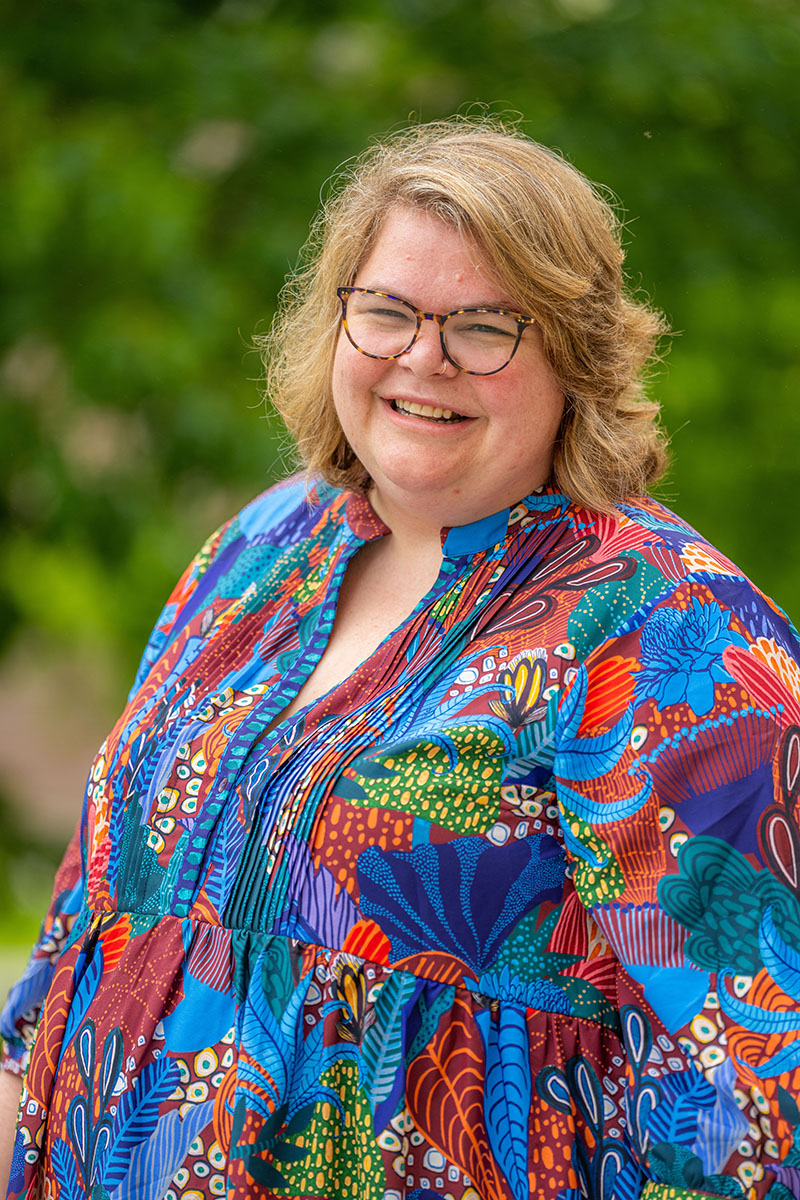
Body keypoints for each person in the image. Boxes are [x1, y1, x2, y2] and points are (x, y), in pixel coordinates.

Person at [2, 117, 799, 1200]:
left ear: (574, 354)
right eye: (385, 313)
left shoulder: (669, 631)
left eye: (482, 327)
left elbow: (750, 1097)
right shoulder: (261, 550)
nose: (421, 358)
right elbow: (84, 931)